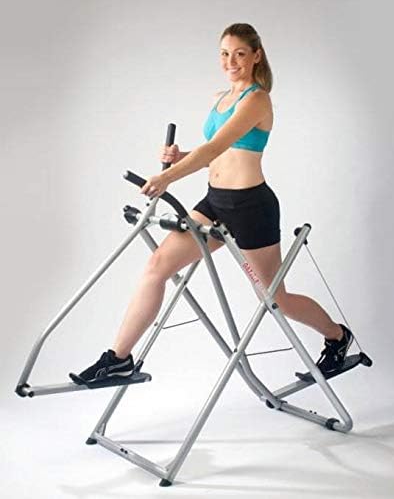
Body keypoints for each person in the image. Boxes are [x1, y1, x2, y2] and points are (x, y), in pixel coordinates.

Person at [69, 23, 353, 385]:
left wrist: (167, 177)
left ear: (256, 56)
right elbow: (217, 156)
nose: (230, 61)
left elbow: (215, 146)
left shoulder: (257, 99)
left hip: (251, 207)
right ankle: (118, 360)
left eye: (239, 53)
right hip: (215, 202)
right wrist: (180, 157)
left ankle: (337, 336)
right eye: (224, 53)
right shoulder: (221, 98)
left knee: (273, 298)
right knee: (157, 266)